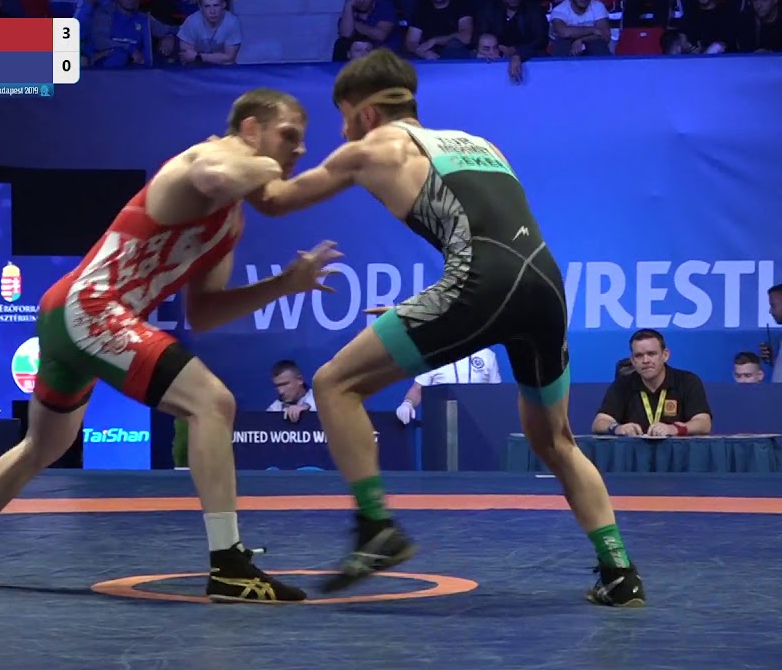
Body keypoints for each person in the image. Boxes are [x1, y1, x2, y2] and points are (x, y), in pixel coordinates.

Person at [246, 49, 645, 607]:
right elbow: (493, 235)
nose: (340, 132)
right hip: (544, 286)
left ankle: (375, 527)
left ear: (365, 114)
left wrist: (245, 149)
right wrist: (427, 309)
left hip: (482, 285)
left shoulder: (371, 148)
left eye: (343, 117)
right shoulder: (480, 144)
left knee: (334, 384)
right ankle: (620, 572)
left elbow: (273, 201)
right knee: (556, 440)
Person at [0, 89, 341, 604]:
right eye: (288, 136)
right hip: (91, 308)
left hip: (71, 313)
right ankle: (229, 564)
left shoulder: (230, 222)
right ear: (250, 129)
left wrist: (284, 285)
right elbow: (220, 177)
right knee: (212, 403)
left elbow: (205, 312)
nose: (298, 150)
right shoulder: (208, 156)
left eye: (301, 142)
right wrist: (276, 173)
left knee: (43, 446)